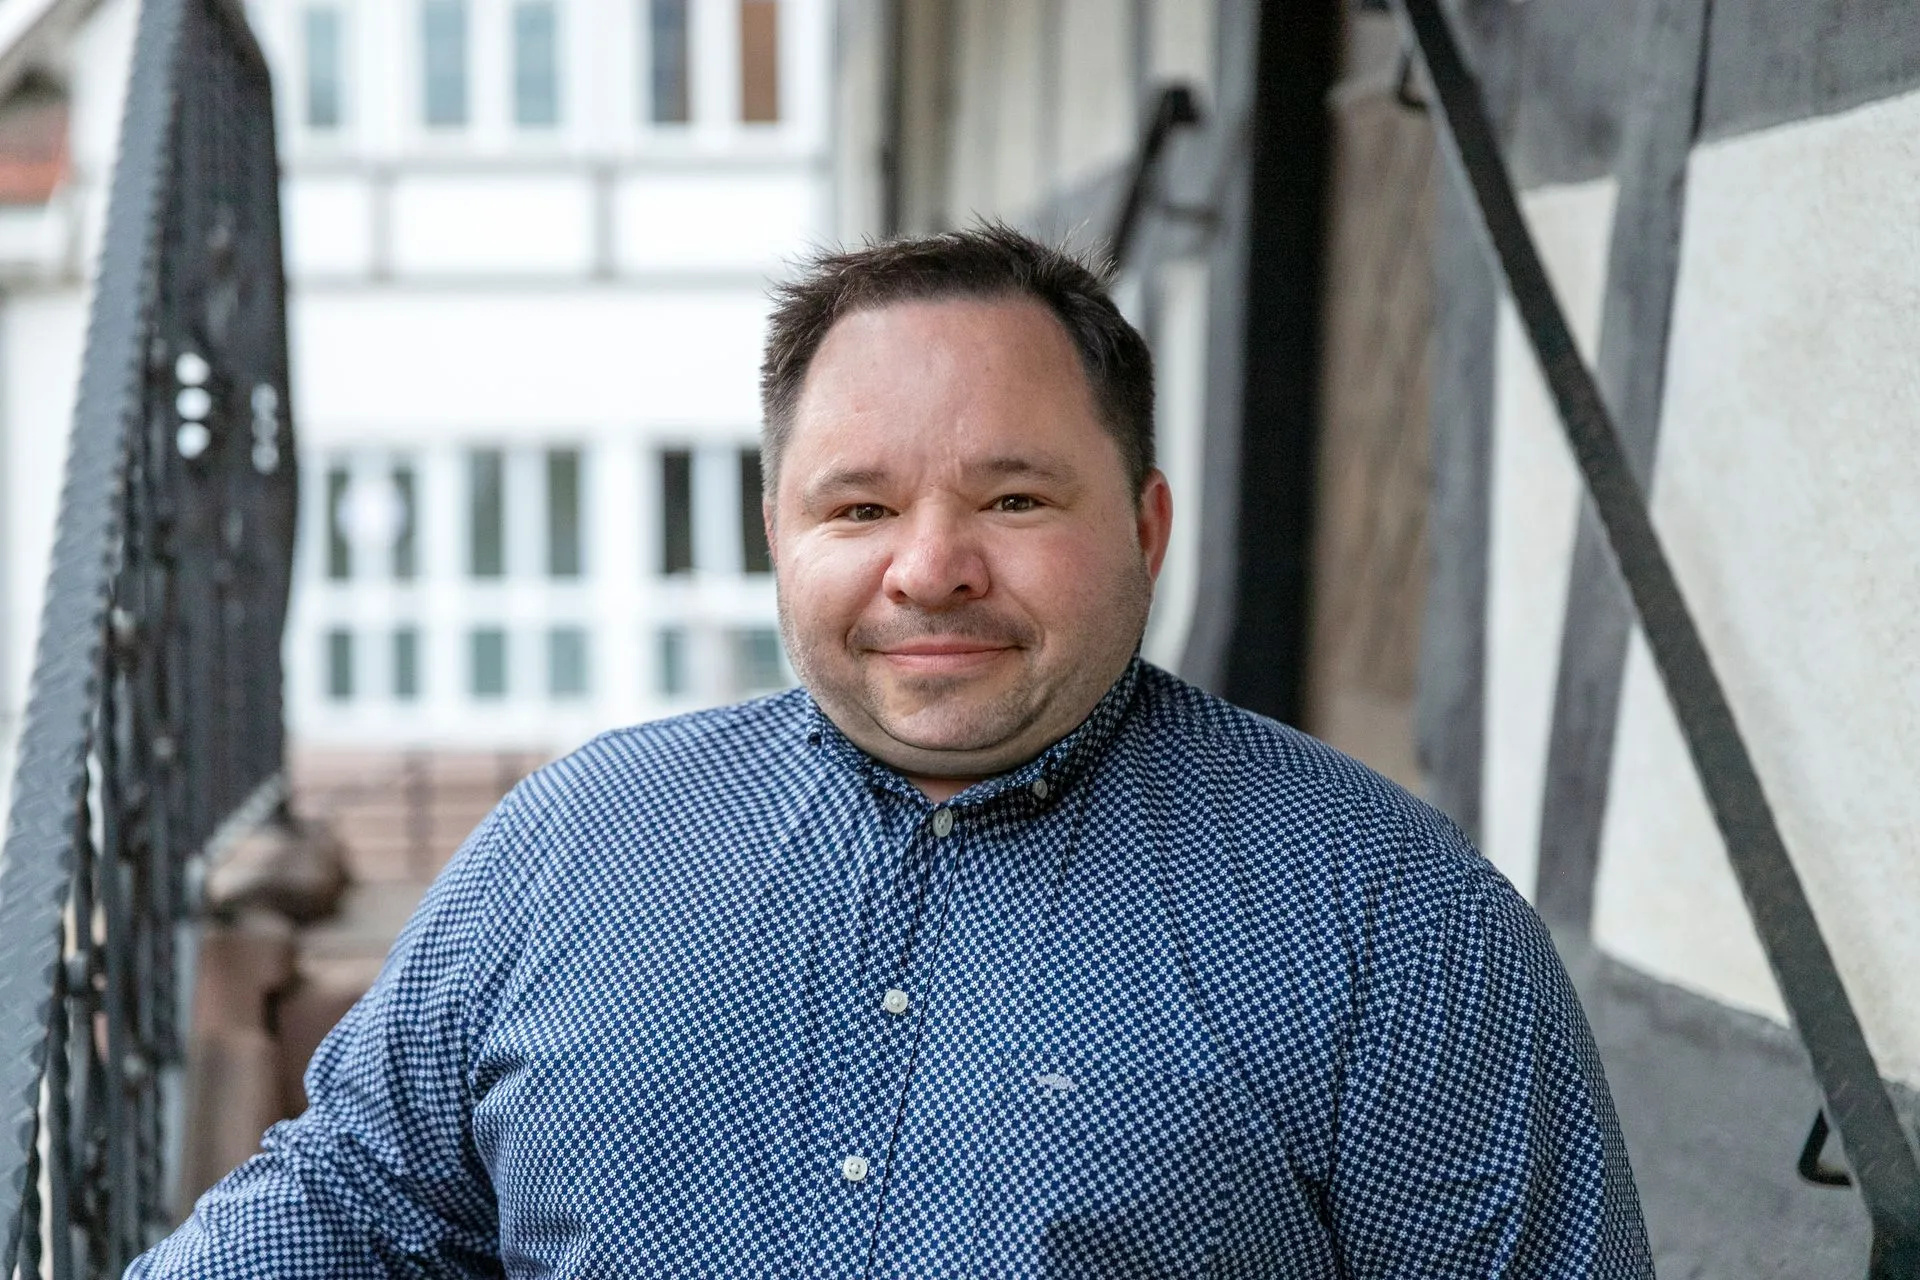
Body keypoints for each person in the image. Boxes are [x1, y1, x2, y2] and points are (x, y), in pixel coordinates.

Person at [131, 225, 1650, 1278]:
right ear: (777, 537)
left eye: (1013, 500)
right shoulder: (576, 842)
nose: (929, 569)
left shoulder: (1391, 919)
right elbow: (357, 1203)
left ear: (1146, 527)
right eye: (858, 508)